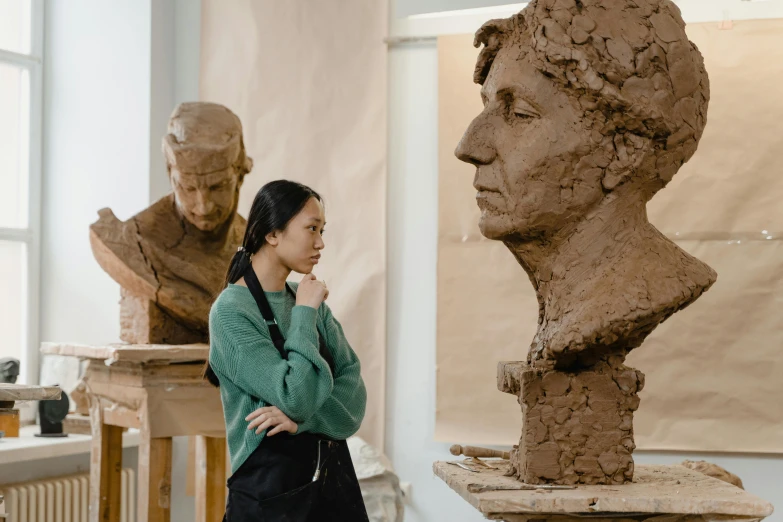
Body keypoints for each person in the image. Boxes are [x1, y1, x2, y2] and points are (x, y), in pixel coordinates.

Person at [454, 0, 716, 369]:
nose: (469, 147)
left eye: (520, 113)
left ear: (623, 151)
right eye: (487, 106)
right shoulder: (571, 307)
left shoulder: (624, 299)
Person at [204, 179, 369, 521]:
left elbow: (354, 394)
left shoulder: (303, 295)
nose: (320, 242)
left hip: (330, 488)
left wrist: (302, 423)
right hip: (270, 501)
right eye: (311, 228)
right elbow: (295, 396)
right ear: (272, 234)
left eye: (322, 230)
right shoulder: (232, 312)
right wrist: (305, 314)